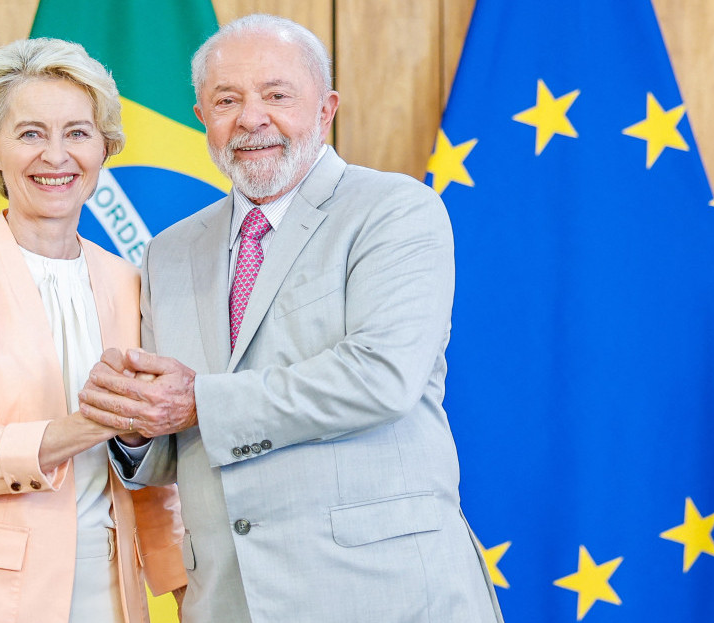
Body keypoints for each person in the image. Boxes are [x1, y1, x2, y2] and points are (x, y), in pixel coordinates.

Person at [78, 14, 504, 623]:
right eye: (227, 99)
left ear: (326, 107)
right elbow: (185, 442)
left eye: (276, 95)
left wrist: (197, 401)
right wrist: (137, 427)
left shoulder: (395, 211)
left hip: (385, 593)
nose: (251, 118)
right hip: (229, 599)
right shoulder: (168, 252)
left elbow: (380, 377)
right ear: (202, 116)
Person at [0, 38, 185, 623]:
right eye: (30, 134)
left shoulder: (131, 282)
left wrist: (181, 585)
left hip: (111, 594)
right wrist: (92, 423)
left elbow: (152, 469)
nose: (56, 155)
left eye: (77, 133)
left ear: (104, 149)